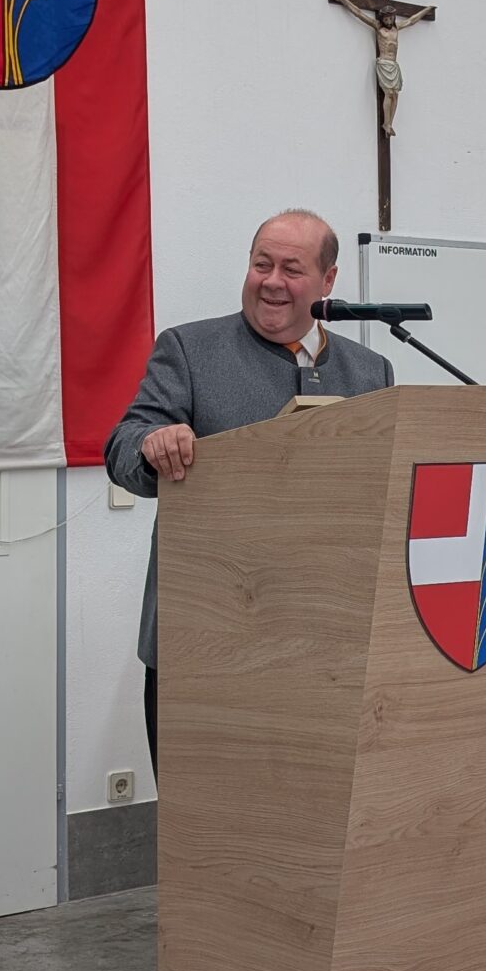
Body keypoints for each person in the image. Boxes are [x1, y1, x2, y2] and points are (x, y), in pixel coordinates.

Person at [104, 210, 393, 768]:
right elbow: (123, 447)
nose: (272, 281)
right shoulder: (189, 350)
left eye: (291, 269)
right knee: (202, 811)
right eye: (262, 264)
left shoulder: (370, 372)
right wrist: (151, 444)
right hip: (203, 639)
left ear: (328, 280)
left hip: (326, 641)